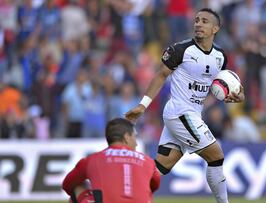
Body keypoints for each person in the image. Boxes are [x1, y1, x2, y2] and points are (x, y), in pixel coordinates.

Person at [125, 8, 244, 203]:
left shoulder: (221, 57)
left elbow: (230, 84)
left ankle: (124, 191)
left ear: (216, 28)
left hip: (193, 115)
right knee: (216, 156)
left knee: (160, 168)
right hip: (179, 112)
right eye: (196, 20)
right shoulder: (181, 50)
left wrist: (238, 96)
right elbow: (161, 75)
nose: (198, 24)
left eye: (204, 21)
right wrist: (142, 105)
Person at [62, 118, 161, 203]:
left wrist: (95, 193)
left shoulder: (92, 160)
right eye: (134, 137)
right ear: (126, 137)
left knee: (78, 187)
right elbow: (155, 185)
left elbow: (67, 184)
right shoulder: (147, 161)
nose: (136, 143)